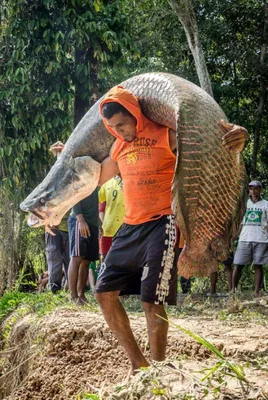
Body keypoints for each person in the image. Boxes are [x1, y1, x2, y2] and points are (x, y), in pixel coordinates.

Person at [94, 85, 248, 375]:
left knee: (151, 300)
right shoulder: (118, 146)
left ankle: (160, 369)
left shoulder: (165, 134)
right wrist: (64, 161)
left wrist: (239, 135)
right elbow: (95, 176)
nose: (120, 131)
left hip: (163, 224)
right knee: (104, 293)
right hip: (129, 226)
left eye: (123, 124)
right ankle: (139, 366)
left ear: (136, 115)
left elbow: (214, 142)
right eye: (113, 127)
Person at [50, 141, 99, 304]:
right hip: (79, 220)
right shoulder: (76, 170)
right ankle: (73, 296)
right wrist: (80, 218)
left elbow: (96, 199)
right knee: (76, 257)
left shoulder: (95, 169)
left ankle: (81, 295)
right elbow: (73, 195)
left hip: (93, 221)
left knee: (87, 261)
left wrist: (99, 223)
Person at [232, 180, 268, 297]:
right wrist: (235, 236)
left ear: (260, 190)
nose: (253, 191)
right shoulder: (245, 203)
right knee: (238, 264)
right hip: (244, 238)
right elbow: (241, 222)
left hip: (261, 239)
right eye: (251, 189)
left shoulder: (265, 204)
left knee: (258, 265)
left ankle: (256, 292)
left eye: (256, 188)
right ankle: (233, 290)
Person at [45, 142, 70, 293]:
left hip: (68, 226)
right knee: (54, 260)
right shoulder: (50, 183)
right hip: (53, 227)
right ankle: (54, 291)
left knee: (70, 260)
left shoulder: (72, 178)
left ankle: (69, 290)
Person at [98, 175, 125, 261]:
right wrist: (99, 222)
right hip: (107, 229)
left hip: (126, 229)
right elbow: (97, 201)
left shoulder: (130, 179)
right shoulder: (107, 182)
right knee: (106, 260)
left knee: (123, 260)